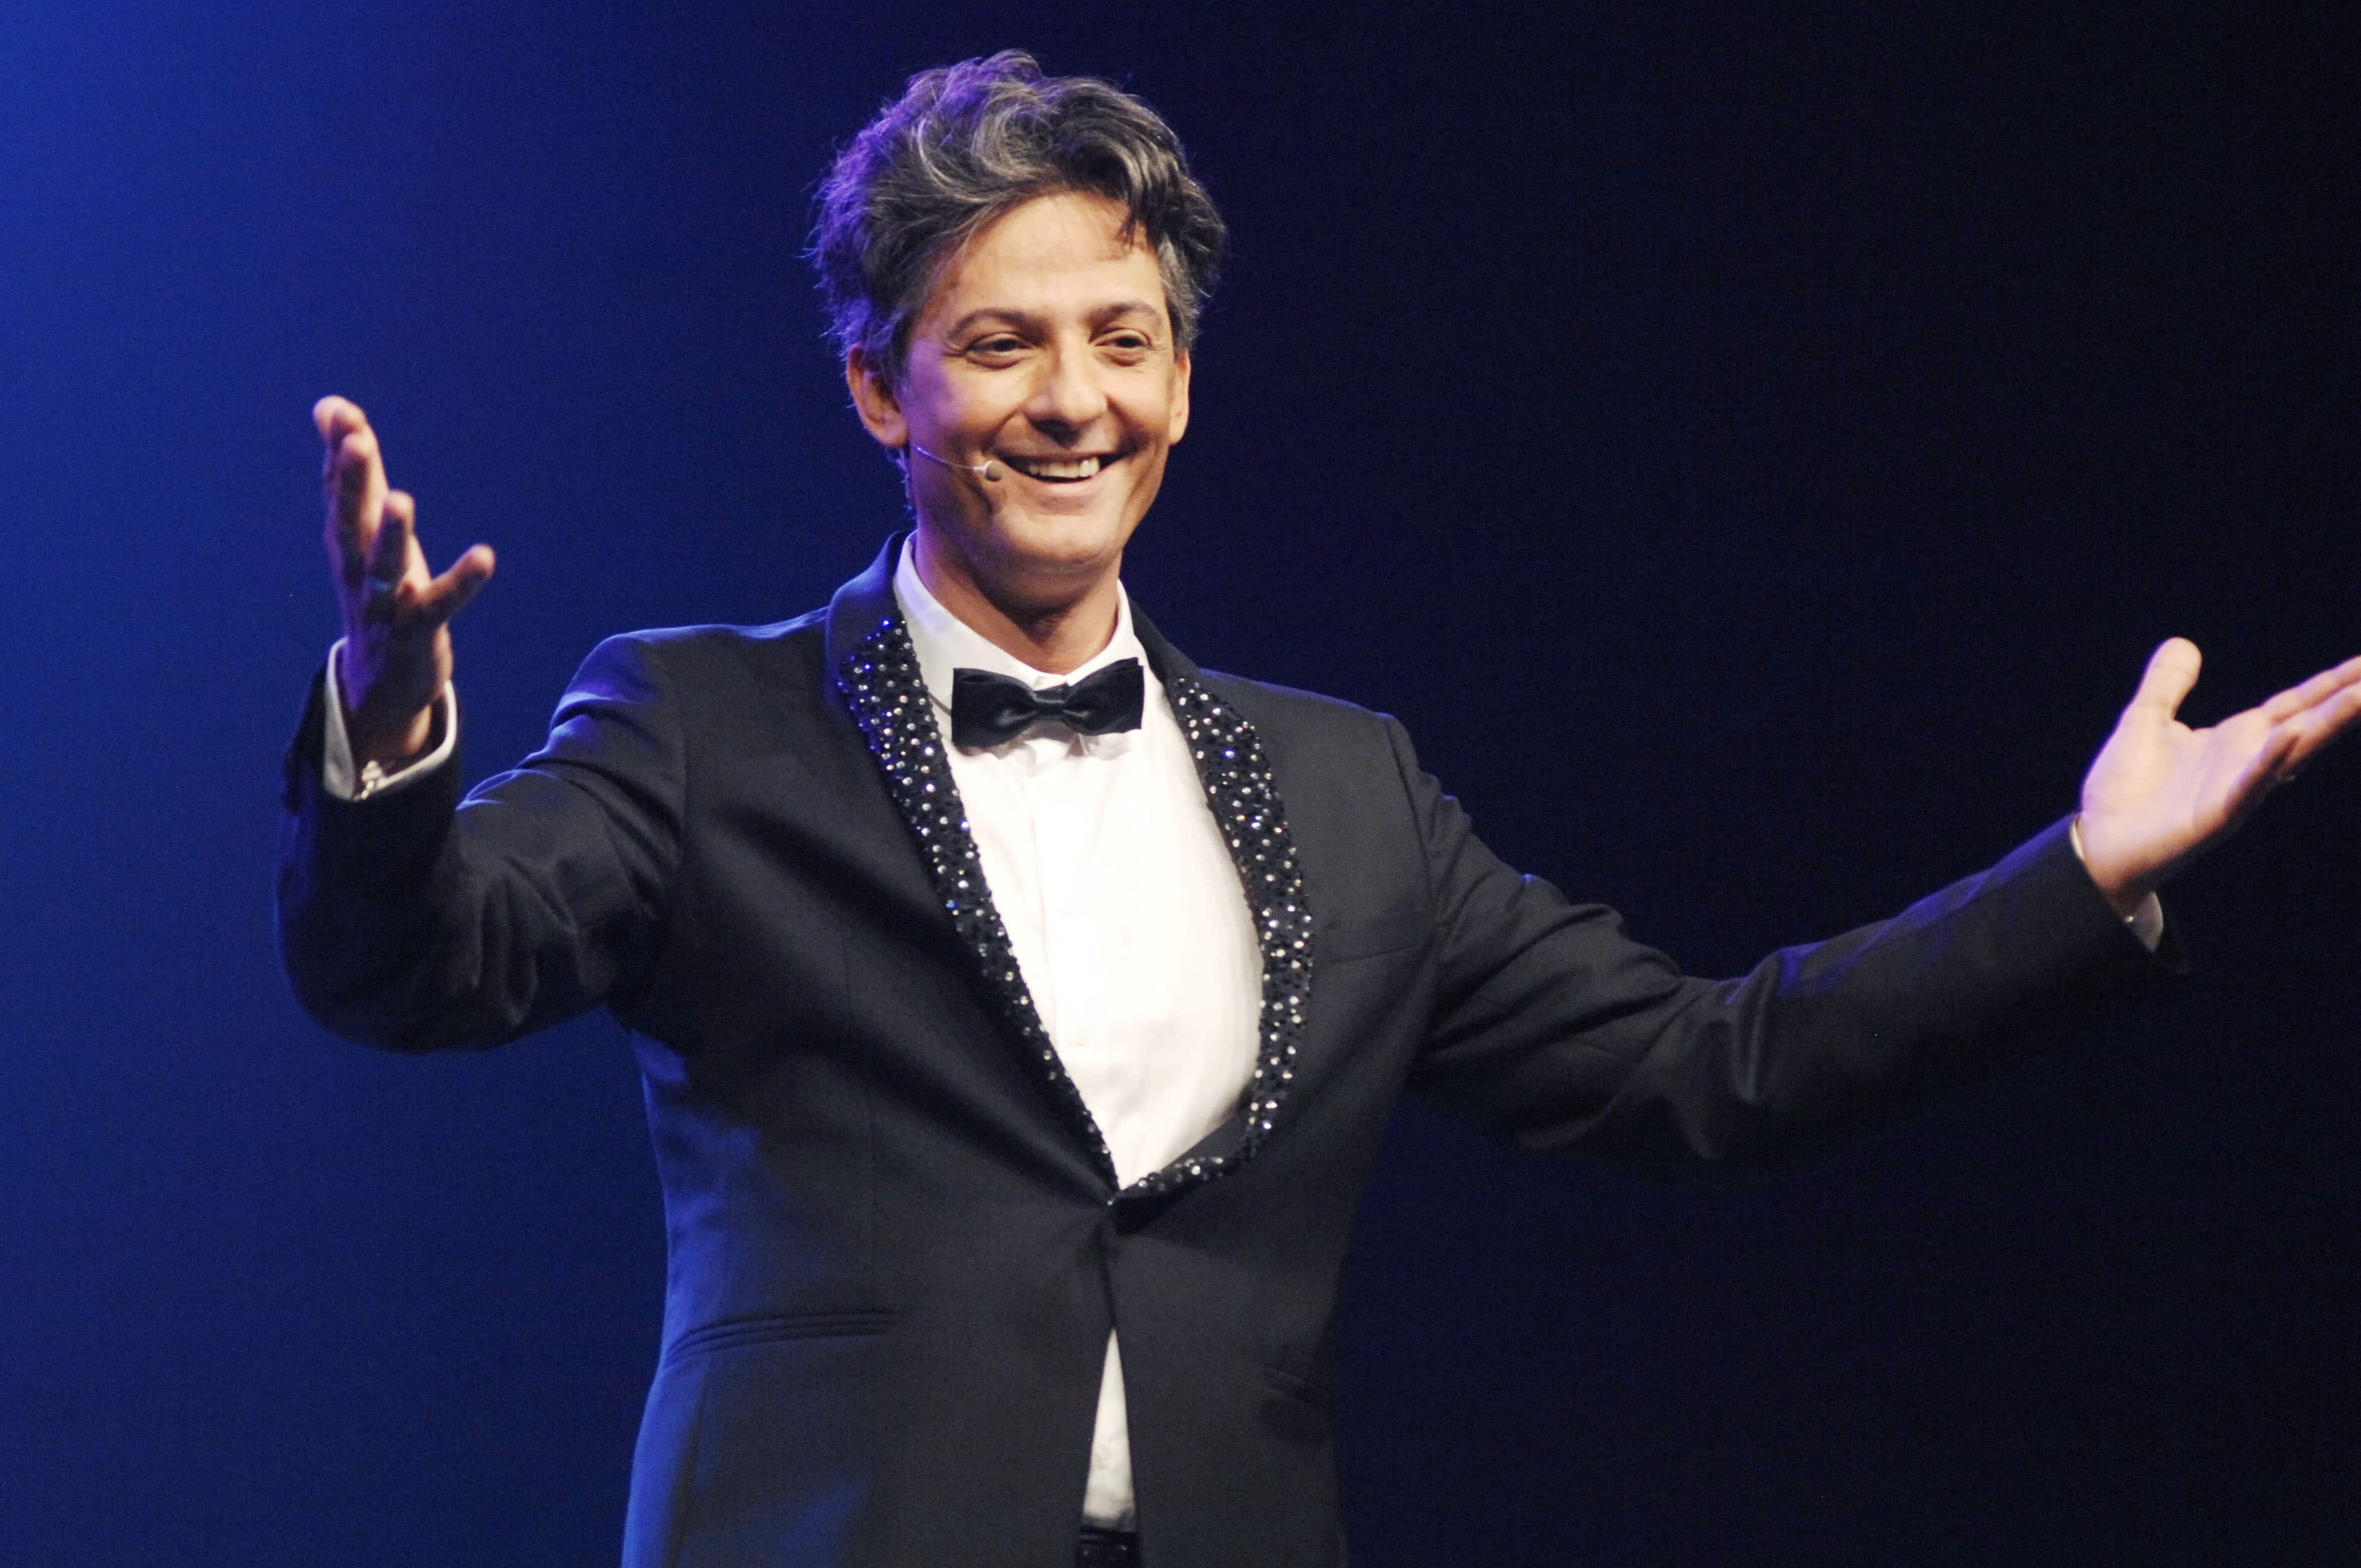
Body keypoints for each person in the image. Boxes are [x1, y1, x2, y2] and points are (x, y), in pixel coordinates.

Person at [277, 51, 2361, 1568]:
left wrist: (2081, 878)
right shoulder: (701, 720)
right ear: (877, 385)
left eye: (1125, 339)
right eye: (1000, 343)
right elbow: (420, 966)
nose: (1073, 399)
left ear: (1184, 380)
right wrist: (390, 719)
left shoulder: (1345, 785)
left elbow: (1706, 1067)